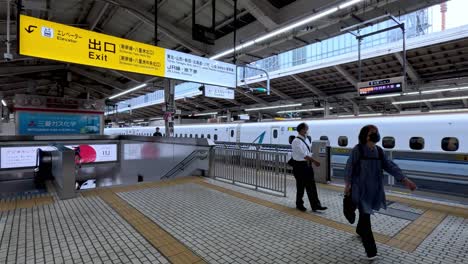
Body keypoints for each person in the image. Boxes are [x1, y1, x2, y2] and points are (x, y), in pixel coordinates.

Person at [344, 125, 417, 260]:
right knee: (366, 218)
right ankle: (371, 251)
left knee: (365, 214)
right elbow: (349, 167)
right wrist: (347, 184)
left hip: (374, 190)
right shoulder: (358, 150)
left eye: (376, 132)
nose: (376, 135)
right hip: (360, 189)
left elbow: (390, 166)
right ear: (365, 135)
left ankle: (360, 230)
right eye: (373, 133)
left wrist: (404, 180)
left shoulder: (379, 151)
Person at [291, 123, 327, 212]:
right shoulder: (296, 141)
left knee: (311, 186)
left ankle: (316, 205)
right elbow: (303, 155)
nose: (307, 131)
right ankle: (299, 204)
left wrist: (311, 161)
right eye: (306, 129)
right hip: (299, 166)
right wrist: (314, 161)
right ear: (302, 130)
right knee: (301, 187)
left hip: (307, 166)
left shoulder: (306, 140)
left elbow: (307, 153)